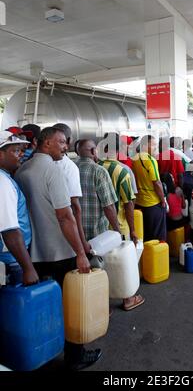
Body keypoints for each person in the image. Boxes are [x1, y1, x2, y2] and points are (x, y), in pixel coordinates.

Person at [15, 127, 100, 370]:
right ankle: (75, 357)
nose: (65, 147)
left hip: (35, 253)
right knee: (72, 306)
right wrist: (81, 253)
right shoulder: (53, 171)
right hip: (61, 252)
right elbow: (66, 216)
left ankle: (48, 351)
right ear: (47, 143)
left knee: (47, 307)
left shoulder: (23, 170)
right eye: (62, 142)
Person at [99, 133, 145, 311]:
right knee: (123, 262)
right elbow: (129, 203)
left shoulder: (95, 167)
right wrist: (133, 230)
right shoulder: (123, 171)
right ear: (119, 150)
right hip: (119, 225)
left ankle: (104, 301)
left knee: (103, 263)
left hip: (100, 226)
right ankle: (128, 298)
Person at [0, 131, 39, 285]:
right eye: (15, 150)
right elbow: (9, 230)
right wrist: (28, 268)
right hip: (11, 259)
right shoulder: (2, 183)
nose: (21, 154)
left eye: (21, 150)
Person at [52, 123, 90, 256]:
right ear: (68, 142)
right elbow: (75, 207)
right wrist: (82, 241)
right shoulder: (69, 167)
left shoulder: (30, 164)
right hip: (65, 239)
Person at [132, 135, 167, 242]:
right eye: (153, 144)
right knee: (156, 238)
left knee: (145, 235)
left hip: (139, 202)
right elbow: (157, 182)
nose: (156, 147)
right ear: (144, 145)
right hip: (152, 203)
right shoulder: (150, 160)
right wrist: (163, 200)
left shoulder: (134, 158)